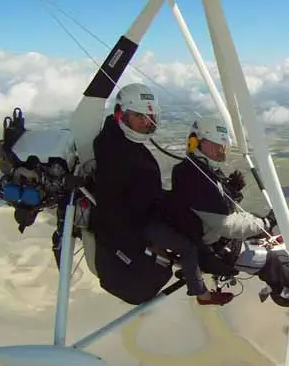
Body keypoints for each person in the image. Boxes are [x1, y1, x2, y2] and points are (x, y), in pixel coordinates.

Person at [88, 83, 234, 306]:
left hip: (145, 210)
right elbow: (115, 205)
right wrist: (144, 238)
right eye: (139, 116)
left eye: (150, 116)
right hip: (139, 223)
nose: (147, 122)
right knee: (188, 246)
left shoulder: (120, 141)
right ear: (121, 114)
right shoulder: (117, 151)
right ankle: (202, 294)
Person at [170, 117, 289, 299]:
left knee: (258, 226)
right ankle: (287, 290)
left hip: (212, 236)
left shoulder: (200, 170)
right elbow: (226, 224)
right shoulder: (194, 177)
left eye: (222, 147)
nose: (220, 151)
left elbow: (216, 206)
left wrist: (233, 192)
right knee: (269, 260)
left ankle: (288, 264)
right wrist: (266, 222)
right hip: (212, 250)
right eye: (214, 146)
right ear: (194, 142)